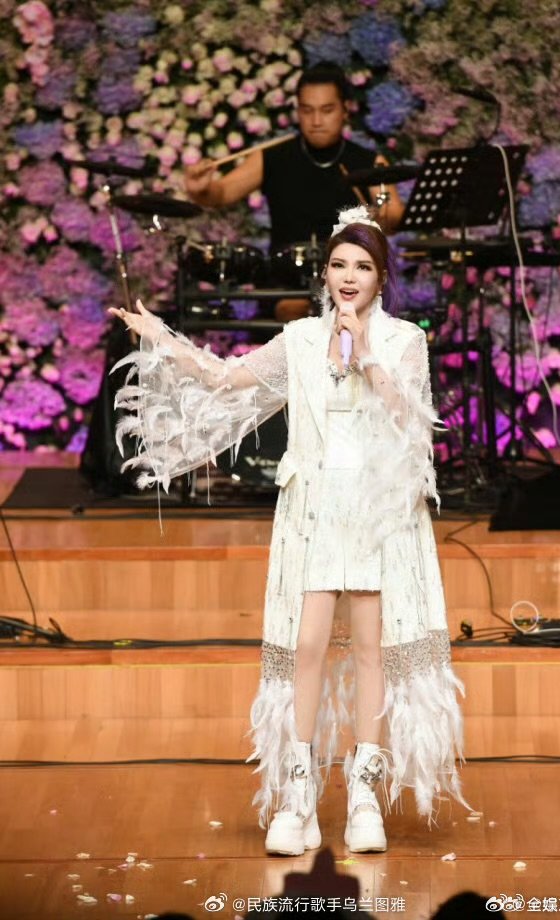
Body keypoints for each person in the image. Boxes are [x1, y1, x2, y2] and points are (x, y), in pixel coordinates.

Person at [109, 205, 471, 857]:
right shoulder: (300, 339)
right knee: (306, 646)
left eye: (362, 266)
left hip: (377, 510)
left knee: (370, 648)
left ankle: (363, 795)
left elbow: (411, 424)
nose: (348, 277)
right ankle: (297, 796)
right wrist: (158, 335)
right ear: (324, 273)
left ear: (381, 276)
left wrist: (364, 353)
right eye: (338, 265)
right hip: (314, 507)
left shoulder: (403, 341)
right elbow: (223, 378)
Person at [184, 62, 405, 321]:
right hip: (284, 281)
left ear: (345, 110)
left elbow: (394, 216)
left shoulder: (368, 162)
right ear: (297, 111)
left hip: (347, 280)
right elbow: (220, 193)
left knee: (348, 308)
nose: (316, 121)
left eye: (327, 110)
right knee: (295, 311)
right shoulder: (272, 156)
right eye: (307, 110)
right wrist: (200, 189)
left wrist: (382, 216)